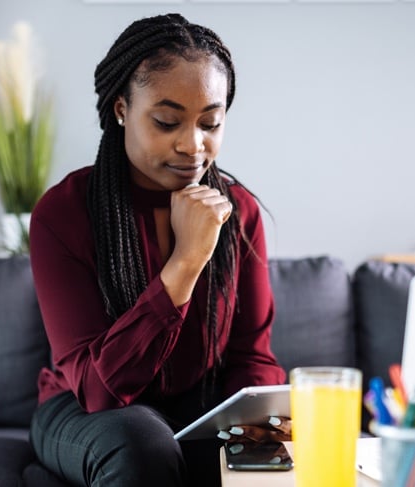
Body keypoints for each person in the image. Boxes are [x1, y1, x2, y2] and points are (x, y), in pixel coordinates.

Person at [27, 13, 286, 487]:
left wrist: (262, 440)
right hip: (83, 407)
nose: (193, 145)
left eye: (211, 122)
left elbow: (253, 359)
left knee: (272, 446)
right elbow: (98, 390)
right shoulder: (62, 214)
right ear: (122, 108)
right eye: (167, 122)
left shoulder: (238, 211)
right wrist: (185, 263)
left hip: (198, 400)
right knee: (143, 443)